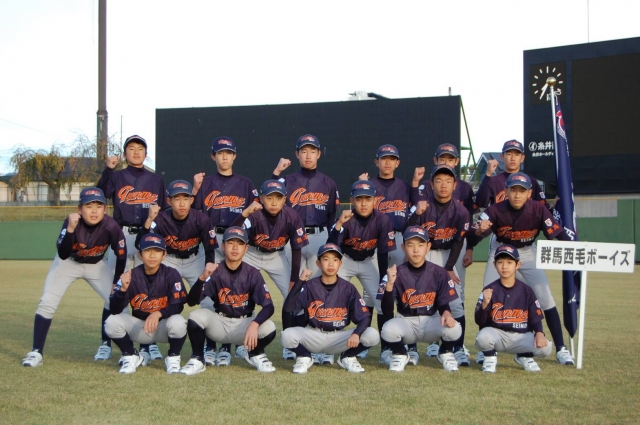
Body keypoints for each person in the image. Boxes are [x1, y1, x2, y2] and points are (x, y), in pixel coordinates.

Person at [468, 172, 575, 366]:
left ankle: (561, 348)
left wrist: (576, 250)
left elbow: (558, 234)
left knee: (545, 297)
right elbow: (472, 235)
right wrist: (478, 230)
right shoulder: (495, 209)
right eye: (513, 190)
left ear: (529, 193)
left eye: (522, 191)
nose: (517, 195)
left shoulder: (538, 209)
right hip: (501, 250)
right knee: (488, 295)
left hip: (527, 252)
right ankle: (487, 349)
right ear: (506, 191)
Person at [22, 188, 127, 367]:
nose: (94, 211)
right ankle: (36, 352)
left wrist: (116, 281)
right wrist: (70, 230)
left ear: (105, 209)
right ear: (80, 209)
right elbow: (63, 254)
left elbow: (122, 255)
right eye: (89, 206)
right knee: (47, 302)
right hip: (68, 263)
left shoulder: (111, 226)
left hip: (96, 265)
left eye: (98, 206)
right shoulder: (71, 222)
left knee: (119, 303)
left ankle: (125, 352)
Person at [96, 134, 168, 362]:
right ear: (125, 153)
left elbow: (163, 211)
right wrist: (108, 169)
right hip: (122, 234)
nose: (136, 152)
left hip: (148, 236)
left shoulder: (155, 180)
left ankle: (148, 344)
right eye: (131, 148)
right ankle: (105, 343)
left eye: (140, 148)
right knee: (114, 290)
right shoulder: (117, 176)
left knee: (148, 291)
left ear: (146, 153)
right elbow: (100, 194)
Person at [135, 179, 222, 365]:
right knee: (153, 299)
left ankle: (210, 347)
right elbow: (139, 244)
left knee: (209, 301)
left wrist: (209, 268)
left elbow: (210, 249)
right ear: (169, 201)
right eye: (177, 198)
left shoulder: (202, 219)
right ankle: (147, 345)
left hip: (195, 259)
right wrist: (149, 220)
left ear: (192, 200)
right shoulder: (160, 219)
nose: (182, 203)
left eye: (185, 198)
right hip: (169, 259)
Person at [271, 134, 340, 364]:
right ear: (297, 154)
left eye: (312, 151)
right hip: (292, 238)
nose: (308, 155)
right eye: (304, 151)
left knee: (320, 293)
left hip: (320, 236)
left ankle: (319, 344)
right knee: (293, 293)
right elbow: (268, 196)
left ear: (319, 154)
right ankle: (291, 344)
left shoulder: (329, 183)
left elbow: (332, 216)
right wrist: (276, 173)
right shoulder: (287, 181)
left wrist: (330, 242)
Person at [192, 136, 258, 364]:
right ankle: (211, 344)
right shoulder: (206, 183)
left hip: (236, 240)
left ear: (234, 156)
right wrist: (195, 189)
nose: (225, 157)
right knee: (211, 292)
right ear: (214, 156)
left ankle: (228, 346)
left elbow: (256, 213)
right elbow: (194, 212)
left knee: (234, 289)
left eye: (228, 153)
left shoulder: (246, 184)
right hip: (211, 239)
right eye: (220, 153)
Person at [179, 227, 277, 374]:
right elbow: (192, 301)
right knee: (195, 316)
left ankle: (255, 354)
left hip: (244, 326)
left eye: (240, 243)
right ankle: (198, 359)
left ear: (246, 248)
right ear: (223, 246)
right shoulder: (215, 271)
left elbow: (269, 306)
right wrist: (202, 278)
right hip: (220, 323)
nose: (235, 247)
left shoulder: (253, 273)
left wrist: (254, 324)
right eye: (231, 243)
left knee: (269, 327)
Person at [231, 179, 309, 361]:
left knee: (295, 297)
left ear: (285, 199)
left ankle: (291, 343)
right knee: (239, 294)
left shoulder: (292, 216)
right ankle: (240, 344)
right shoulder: (254, 215)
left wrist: (293, 280)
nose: (274, 202)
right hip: (251, 254)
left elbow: (296, 249)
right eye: (269, 197)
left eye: (278, 198)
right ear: (261, 198)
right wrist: (245, 213)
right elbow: (233, 232)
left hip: (276, 256)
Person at [402, 164, 470, 367]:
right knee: (414, 298)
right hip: (422, 253)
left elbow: (458, 242)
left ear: (455, 185)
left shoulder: (461, 211)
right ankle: (411, 348)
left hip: (447, 255)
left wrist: (449, 267)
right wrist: (416, 213)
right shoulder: (422, 206)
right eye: (439, 181)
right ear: (431, 184)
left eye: (448, 181)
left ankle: (457, 347)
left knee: (455, 301)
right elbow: (406, 229)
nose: (443, 185)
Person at [280, 243, 380, 374]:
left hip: (339, 337)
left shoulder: (348, 288)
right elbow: (288, 308)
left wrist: (356, 333)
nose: (331, 264)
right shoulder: (310, 285)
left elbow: (364, 316)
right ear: (318, 263)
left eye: (335, 260)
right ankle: (304, 357)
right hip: (314, 335)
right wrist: (300, 281)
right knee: (286, 335)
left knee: (372, 334)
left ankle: (347, 357)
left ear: (340, 263)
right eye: (326, 259)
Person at [327, 179, 396, 360]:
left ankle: (387, 348)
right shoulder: (347, 219)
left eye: (368, 199)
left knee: (382, 301)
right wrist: (339, 224)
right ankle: (328, 348)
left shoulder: (382, 220)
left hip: (368, 261)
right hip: (346, 261)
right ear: (352, 200)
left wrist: (383, 281)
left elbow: (383, 253)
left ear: (375, 200)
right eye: (359, 199)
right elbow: (331, 247)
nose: (364, 203)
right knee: (333, 300)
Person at [379, 226, 462, 372]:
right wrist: (390, 285)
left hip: (431, 321)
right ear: (403, 247)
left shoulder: (440, 272)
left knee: (455, 328)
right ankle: (400, 354)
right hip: (406, 323)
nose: (416, 250)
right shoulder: (394, 273)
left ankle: (445, 352)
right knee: (387, 329)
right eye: (410, 245)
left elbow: (443, 302)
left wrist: (447, 313)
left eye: (420, 245)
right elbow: (386, 312)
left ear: (428, 247)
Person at [104, 233, 188, 374]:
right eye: (148, 250)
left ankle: (173, 358)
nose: (152, 255)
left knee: (179, 322)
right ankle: (131, 355)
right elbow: (114, 309)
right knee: (111, 322)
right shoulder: (130, 275)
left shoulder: (171, 274)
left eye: (157, 251)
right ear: (140, 255)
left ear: (164, 255)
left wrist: (158, 313)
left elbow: (178, 305)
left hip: (162, 327)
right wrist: (122, 290)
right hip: (139, 328)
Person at [474, 244, 553, 373]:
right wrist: (484, 306)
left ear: (517, 265)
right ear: (494, 265)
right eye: (500, 262)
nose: (504, 266)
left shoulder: (527, 290)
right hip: (498, 335)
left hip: (521, 336)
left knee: (546, 347)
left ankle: (524, 356)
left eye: (509, 262)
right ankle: (489, 358)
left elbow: (535, 316)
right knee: (482, 337)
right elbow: (479, 321)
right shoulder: (489, 290)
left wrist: (539, 332)